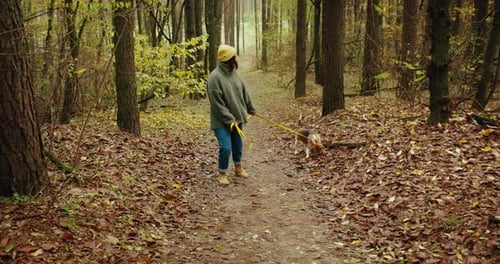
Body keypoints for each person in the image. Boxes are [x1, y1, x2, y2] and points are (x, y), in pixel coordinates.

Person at [207, 44, 256, 185]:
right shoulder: (214, 78)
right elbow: (217, 104)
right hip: (221, 121)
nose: (236, 59)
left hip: (237, 118)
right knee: (226, 147)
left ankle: (238, 167)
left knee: (237, 144)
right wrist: (229, 119)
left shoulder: (234, 73)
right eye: (234, 56)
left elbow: (243, 93)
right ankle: (222, 173)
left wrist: (251, 108)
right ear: (229, 59)